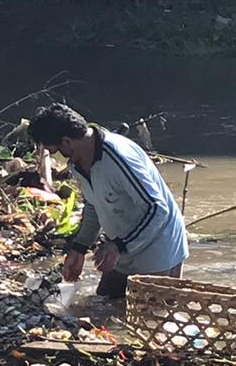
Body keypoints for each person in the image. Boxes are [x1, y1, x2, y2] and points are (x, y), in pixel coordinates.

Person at [28, 102, 188, 298]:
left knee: (150, 315)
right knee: (104, 301)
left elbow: (157, 209)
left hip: (158, 244)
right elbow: (94, 205)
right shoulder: (78, 164)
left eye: (55, 151)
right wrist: (79, 248)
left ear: (67, 142)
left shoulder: (118, 158)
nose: (58, 157)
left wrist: (119, 246)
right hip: (121, 245)